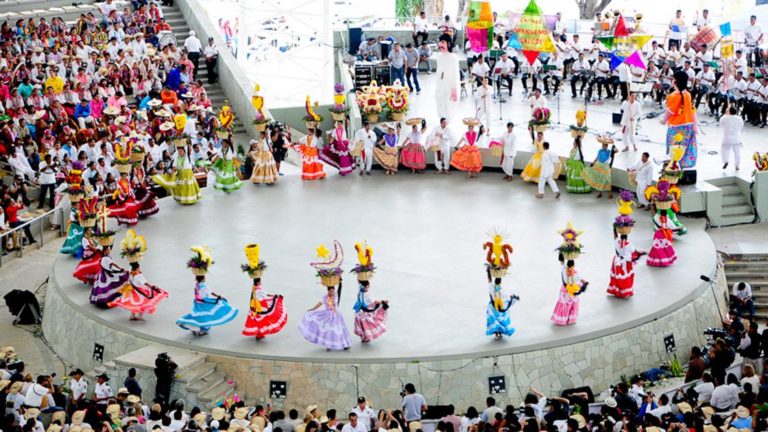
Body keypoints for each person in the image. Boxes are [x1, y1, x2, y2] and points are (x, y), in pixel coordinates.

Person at [176, 248, 238, 336]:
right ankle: (203, 329)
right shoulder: (204, 286)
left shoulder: (197, 285)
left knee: (198, 315)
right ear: (203, 278)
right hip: (204, 303)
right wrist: (219, 297)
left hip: (197, 303)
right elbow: (210, 293)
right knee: (207, 315)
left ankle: (197, 327)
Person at [299, 283, 351, 351]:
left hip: (336, 315)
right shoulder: (325, 297)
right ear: (328, 291)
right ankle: (328, 345)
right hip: (327, 315)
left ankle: (344, 345)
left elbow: (340, 289)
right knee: (328, 331)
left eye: (333, 290)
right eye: (331, 291)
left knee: (339, 330)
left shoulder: (336, 296)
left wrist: (340, 281)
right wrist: (313, 308)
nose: (332, 292)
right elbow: (319, 303)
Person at [664, 70, 698, 169]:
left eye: (673, 79)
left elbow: (670, 112)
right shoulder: (688, 94)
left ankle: (673, 169)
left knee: (673, 149)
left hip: (675, 127)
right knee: (683, 148)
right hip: (687, 127)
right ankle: (680, 167)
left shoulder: (673, 96)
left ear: (676, 82)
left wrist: (663, 120)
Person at [551, 258, 587, 326]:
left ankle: (562, 319)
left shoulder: (564, 271)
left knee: (564, 304)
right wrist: (584, 283)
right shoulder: (575, 272)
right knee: (573, 304)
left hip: (565, 290)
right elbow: (579, 279)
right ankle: (571, 319)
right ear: (574, 265)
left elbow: (563, 267)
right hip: (573, 289)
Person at [434, 40, 460, 121]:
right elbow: (438, 71)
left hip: (450, 84)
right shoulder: (439, 56)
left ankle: (448, 120)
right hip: (440, 84)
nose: (441, 45)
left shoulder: (453, 57)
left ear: (448, 44)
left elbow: (455, 73)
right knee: (440, 102)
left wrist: (454, 88)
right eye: (440, 43)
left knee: (448, 103)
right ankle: (442, 118)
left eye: (443, 42)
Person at [719, 106, 744, 171]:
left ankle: (726, 161)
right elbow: (741, 127)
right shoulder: (739, 118)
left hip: (727, 138)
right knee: (737, 152)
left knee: (724, 150)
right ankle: (737, 165)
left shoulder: (724, 118)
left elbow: (721, 124)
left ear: (729, 111)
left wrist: (725, 114)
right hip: (736, 137)